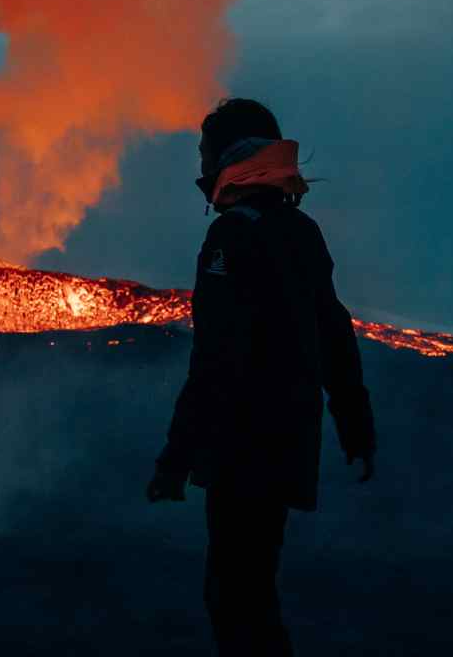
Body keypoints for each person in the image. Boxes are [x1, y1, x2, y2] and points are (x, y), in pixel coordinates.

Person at [146, 98, 377, 656]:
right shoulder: (300, 231)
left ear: (228, 158)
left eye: (205, 152)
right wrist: (354, 421)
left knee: (234, 597)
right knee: (254, 589)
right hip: (289, 444)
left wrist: (177, 458)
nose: (199, 166)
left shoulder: (232, 238)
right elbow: (333, 331)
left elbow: (217, 359)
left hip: (241, 448)